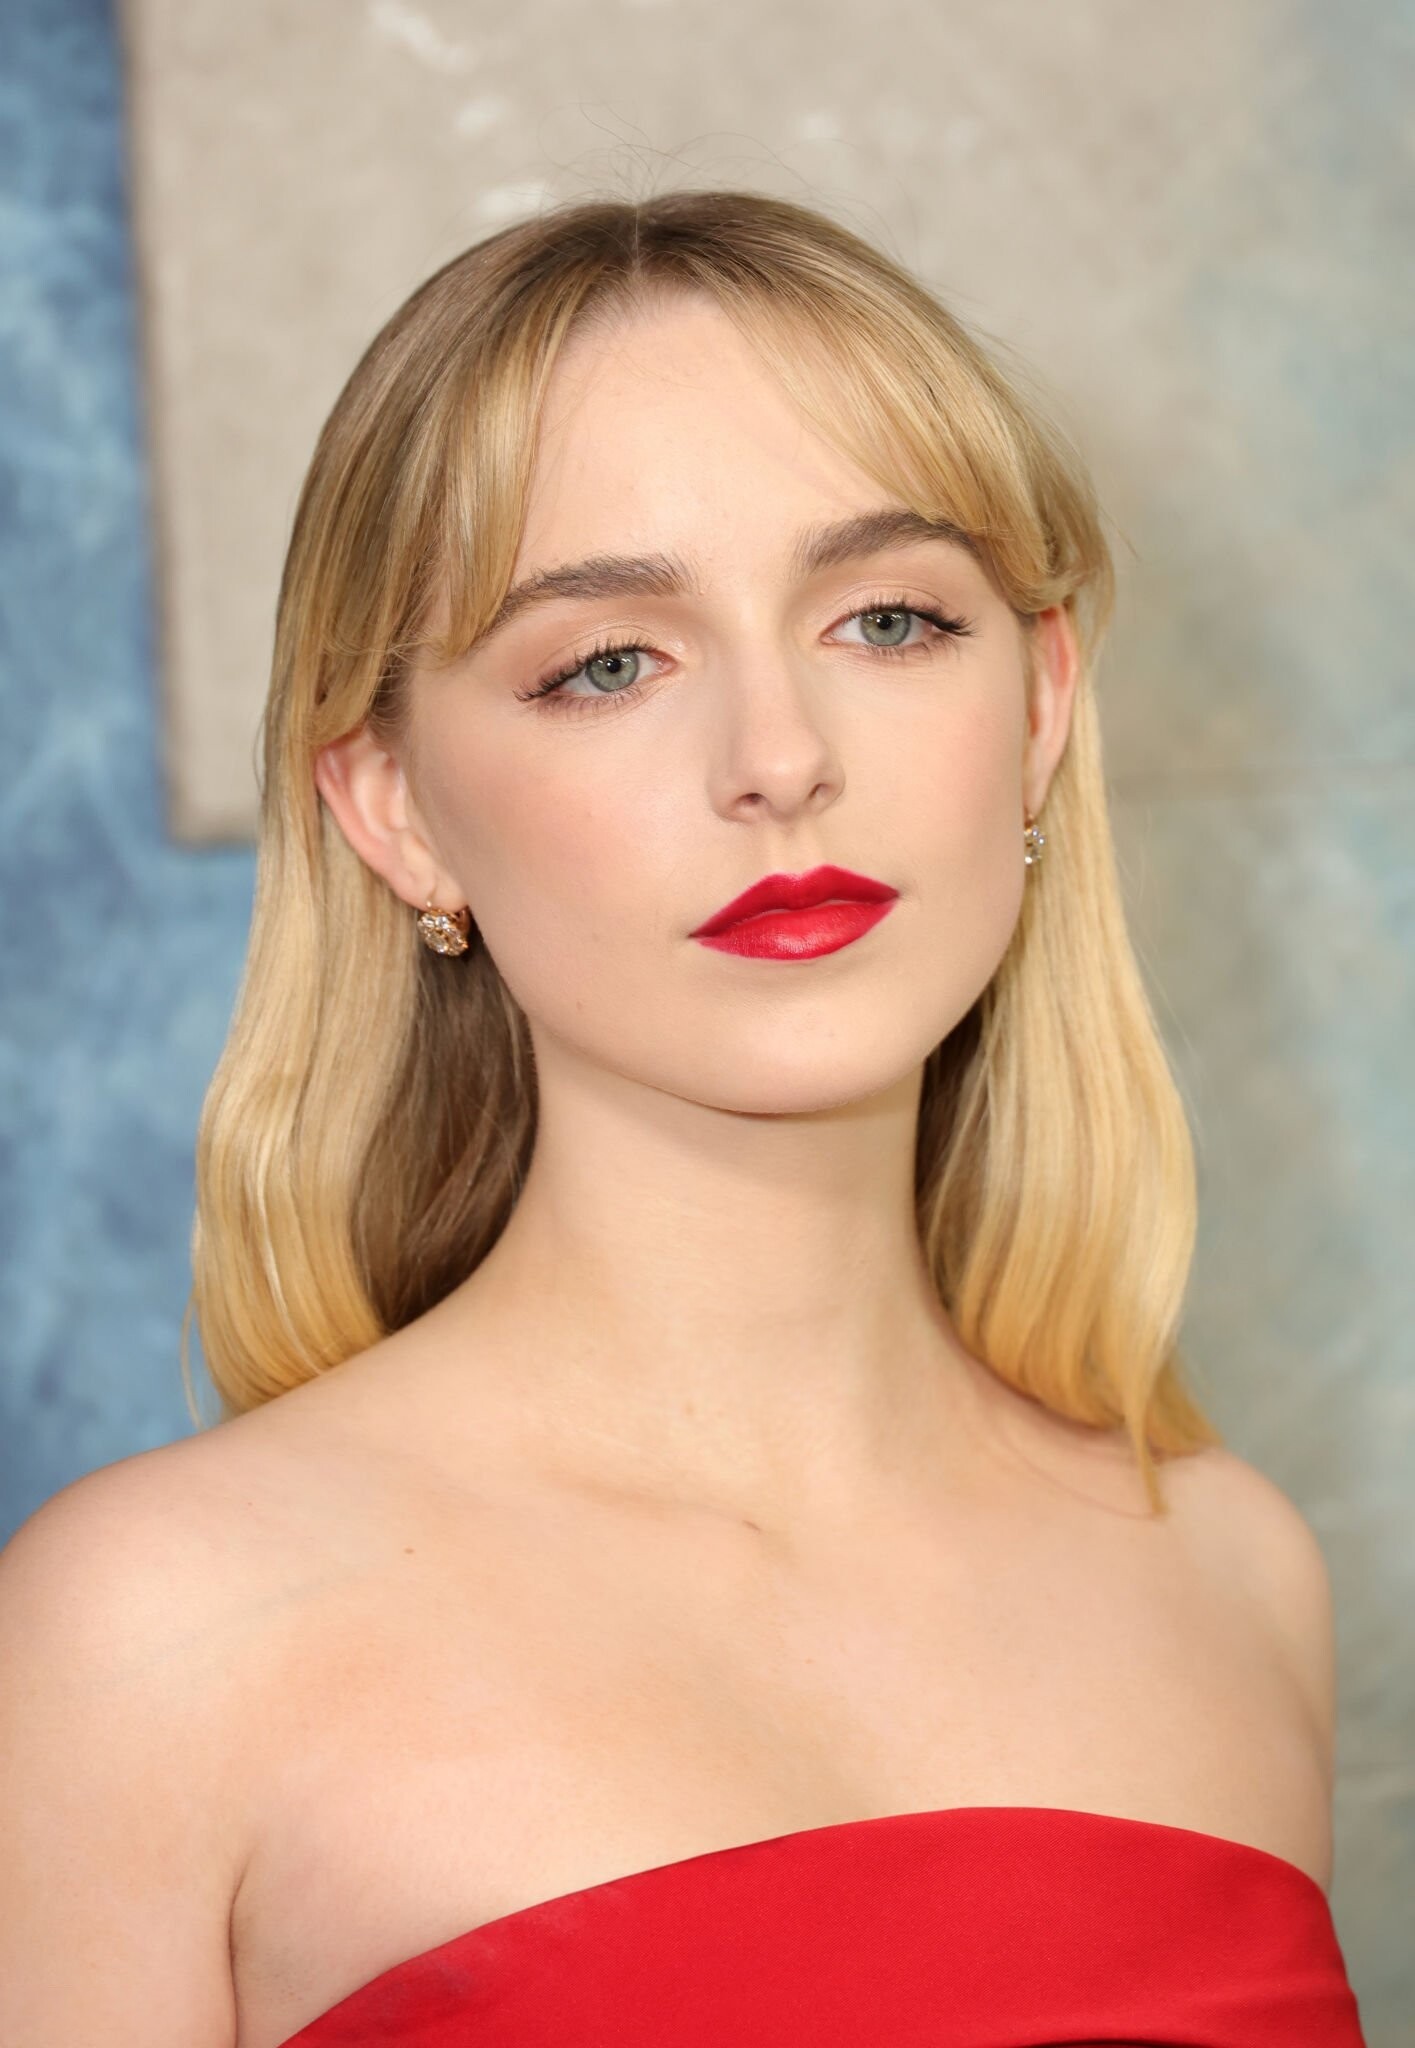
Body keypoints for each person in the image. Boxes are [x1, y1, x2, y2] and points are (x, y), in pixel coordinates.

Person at [0, 191, 1365, 2047]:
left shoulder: (1232, 1576)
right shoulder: (147, 1640)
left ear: (1042, 706)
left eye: (889, 619)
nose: (781, 758)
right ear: (393, 808)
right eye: (608, 663)